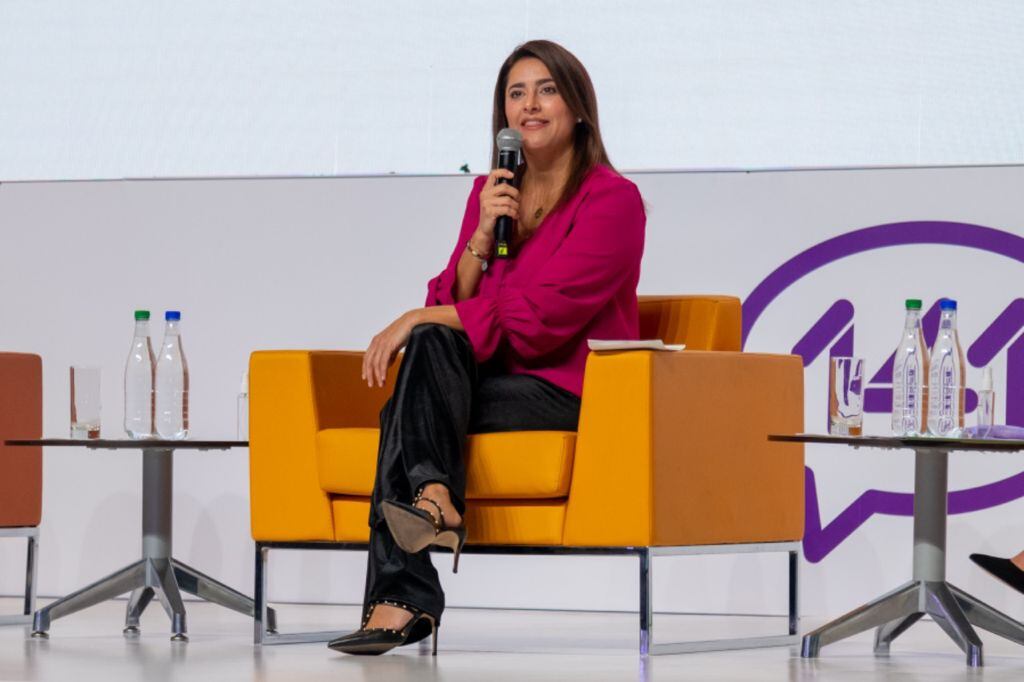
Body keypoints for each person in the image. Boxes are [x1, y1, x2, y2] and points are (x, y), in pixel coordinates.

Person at [327, 39, 646, 656]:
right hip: (483, 378)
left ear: (578, 107)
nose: (529, 105)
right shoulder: (493, 191)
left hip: (566, 388)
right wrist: (480, 235)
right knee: (431, 343)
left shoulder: (612, 200)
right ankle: (434, 499)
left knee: (405, 402)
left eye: (547, 89)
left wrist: (421, 315)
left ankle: (404, 596)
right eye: (516, 93)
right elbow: (454, 293)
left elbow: (542, 321)